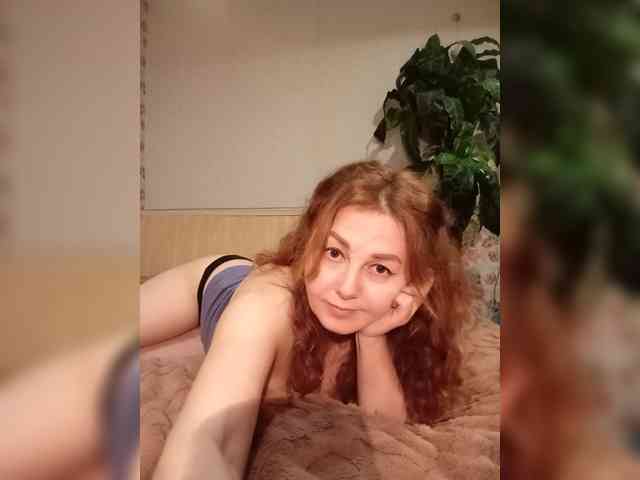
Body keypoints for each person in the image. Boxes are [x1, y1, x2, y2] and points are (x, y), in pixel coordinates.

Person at [142, 160, 469, 480]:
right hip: (216, 285)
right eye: (334, 253)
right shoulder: (265, 306)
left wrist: (372, 335)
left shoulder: (403, 323)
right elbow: (214, 439)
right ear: (309, 245)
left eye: (379, 269)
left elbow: (386, 428)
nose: (347, 288)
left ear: (416, 284)